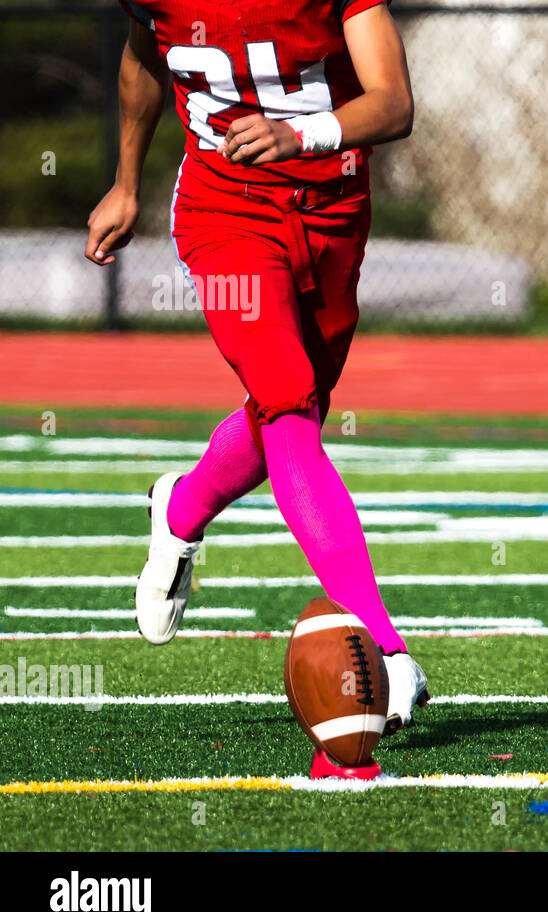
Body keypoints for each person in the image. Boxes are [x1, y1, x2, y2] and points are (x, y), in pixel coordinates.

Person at [85, 0, 428, 772]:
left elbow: (394, 102)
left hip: (334, 211)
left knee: (294, 406)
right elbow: (144, 57)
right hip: (225, 213)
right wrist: (126, 181)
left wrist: (298, 134)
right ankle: (386, 639)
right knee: (289, 408)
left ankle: (183, 506)